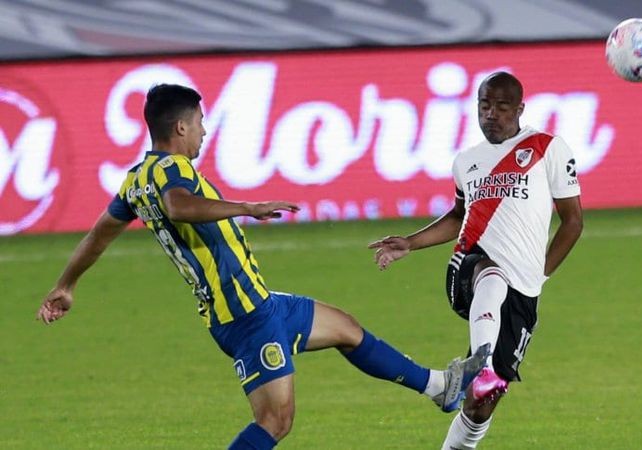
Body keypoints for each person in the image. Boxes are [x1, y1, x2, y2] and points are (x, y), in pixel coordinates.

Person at [36, 83, 490, 449]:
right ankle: (439, 388)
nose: (204, 133)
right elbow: (178, 207)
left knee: (346, 329)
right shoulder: (173, 171)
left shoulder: (136, 180)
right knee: (275, 421)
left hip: (260, 302)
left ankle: (440, 387)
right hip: (244, 315)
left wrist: (66, 284)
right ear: (180, 126)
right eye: (199, 124)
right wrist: (247, 207)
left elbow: (99, 235)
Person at [369, 71, 583, 449]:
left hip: (522, 289)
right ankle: (480, 365)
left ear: (520, 108)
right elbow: (459, 216)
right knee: (490, 271)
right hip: (468, 270)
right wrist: (410, 243)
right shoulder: (467, 161)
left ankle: (473, 399)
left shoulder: (547, 148)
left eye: (501, 107)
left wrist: (540, 276)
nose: (491, 114)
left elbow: (573, 222)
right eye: (485, 106)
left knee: (481, 405)